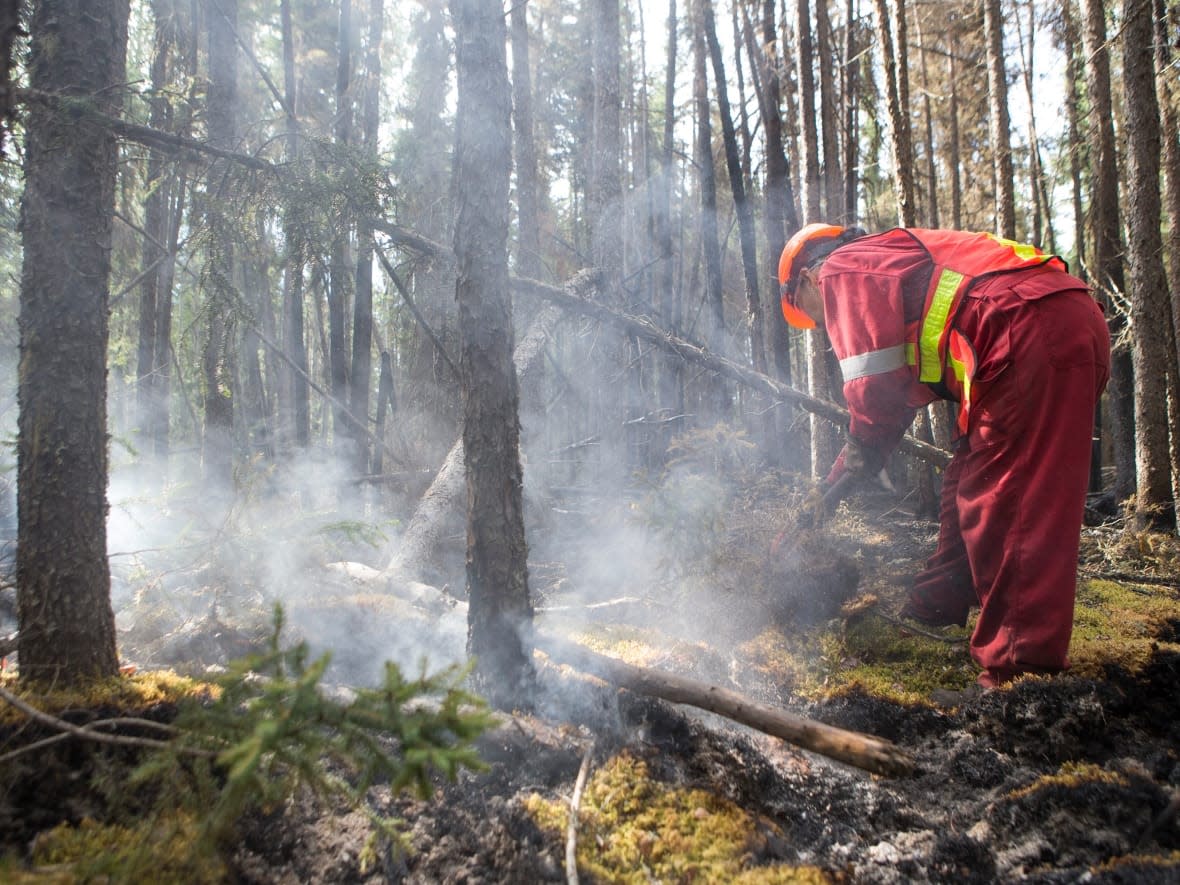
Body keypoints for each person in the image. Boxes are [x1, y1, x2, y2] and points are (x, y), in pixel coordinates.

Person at [777, 224, 1110, 691]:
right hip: (1061, 319)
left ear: (808, 280)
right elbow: (887, 407)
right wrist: (832, 487)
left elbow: (875, 399)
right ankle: (934, 610)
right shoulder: (886, 263)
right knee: (968, 477)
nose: (819, 328)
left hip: (1021, 327)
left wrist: (836, 487)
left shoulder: (844, 267)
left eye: (809, 316)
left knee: (1007, 501)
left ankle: (1019, 675)